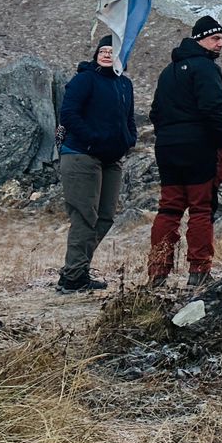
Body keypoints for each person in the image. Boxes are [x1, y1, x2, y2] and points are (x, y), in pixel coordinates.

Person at [148, 16, 222, 291]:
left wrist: (169, 135)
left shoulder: (168, 71)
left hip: (168, 148)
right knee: (201, 208)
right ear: (200, 39)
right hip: (199, 146)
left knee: (169, 208)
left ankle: (157, 273)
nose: (221, 43)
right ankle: (199, 271)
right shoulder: (206, 68)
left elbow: (155, 113)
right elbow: (212, 110)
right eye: (215, 38)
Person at [56, 35, 136, 293]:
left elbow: (129, 119)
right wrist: (93, 138)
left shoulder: (125, 84)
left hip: (111, 158)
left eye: (111, 50)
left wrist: (129, 140)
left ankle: (77, 271)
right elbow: (68, 114)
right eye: (102, 50)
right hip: (81, 154)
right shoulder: (85, 79)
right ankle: (73, 277)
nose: (105, 54)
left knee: (105, 217)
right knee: (84, 217)